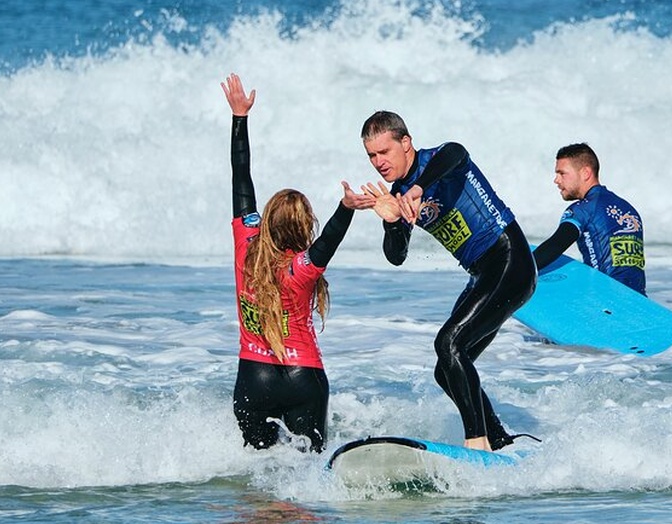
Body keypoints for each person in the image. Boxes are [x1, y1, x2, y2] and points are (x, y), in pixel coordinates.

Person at [359, 111, 537, 452]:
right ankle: (498, 440)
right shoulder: (398, 194)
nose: (378, 162)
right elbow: (396, 256)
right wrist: (392, 221)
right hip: (482, 274)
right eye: (372, 156)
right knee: (447, 369)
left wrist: (419, 188)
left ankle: (477, 442)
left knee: (448, 344)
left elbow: (457, 151)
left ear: (406, 143)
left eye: (385, 152)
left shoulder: (438, 160)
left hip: (509, 260)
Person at [221, 73, 375, 453]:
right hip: (302, 378)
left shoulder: (247, 244)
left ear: (267, 219)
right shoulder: (303, 268)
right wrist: (346, 208)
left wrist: (240, 118)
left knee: (257, 475)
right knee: (305, 478)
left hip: (252, 378)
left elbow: (241, 179)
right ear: (305, 225)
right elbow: (329, 241)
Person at [531, 143, 645, 295]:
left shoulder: (582, 210)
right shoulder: (629, 210)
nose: (556, 180)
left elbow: (556, 245)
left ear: (585, 173)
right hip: (639, 301)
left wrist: (520, 271)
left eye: (562, 173)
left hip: (605, 300)